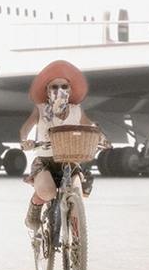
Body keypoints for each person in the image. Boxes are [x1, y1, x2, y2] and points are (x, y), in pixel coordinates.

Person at [18, 60, 106, 231]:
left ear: (70, 89)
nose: (60, 90)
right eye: (54, 87)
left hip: (70, 160)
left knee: (77, 192)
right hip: (45, 161)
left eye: (64, 86)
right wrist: (24, 141)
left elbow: (90, 126)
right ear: (47, 91)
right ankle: (34, 209)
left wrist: (101, 137)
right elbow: (25, 128)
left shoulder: (76, 110)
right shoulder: (41, 109)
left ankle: (76, 238)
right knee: (47, 192)